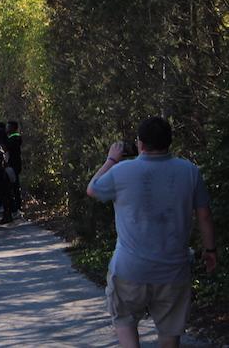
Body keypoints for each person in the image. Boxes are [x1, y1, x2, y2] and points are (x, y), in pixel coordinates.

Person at [86, 117, 217, 348]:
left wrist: (111, 159)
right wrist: (210, 250)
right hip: (173, 269)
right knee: (169, 332)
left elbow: (93, 189)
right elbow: (204, 215)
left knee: (125, 320)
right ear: (169, 142)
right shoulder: (190, 171)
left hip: (130, 269)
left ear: (140, 144)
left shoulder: (123, 171)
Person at [6, 120, 23, 214]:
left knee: (15, 186)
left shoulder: (15, 138)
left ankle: (17, 206)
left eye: (8, 127)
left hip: (14, 165)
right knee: (12, 186)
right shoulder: (11, 138)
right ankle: (14, 206)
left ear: (13, 128)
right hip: (11, 164)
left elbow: (8, 147)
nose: (6, 129)